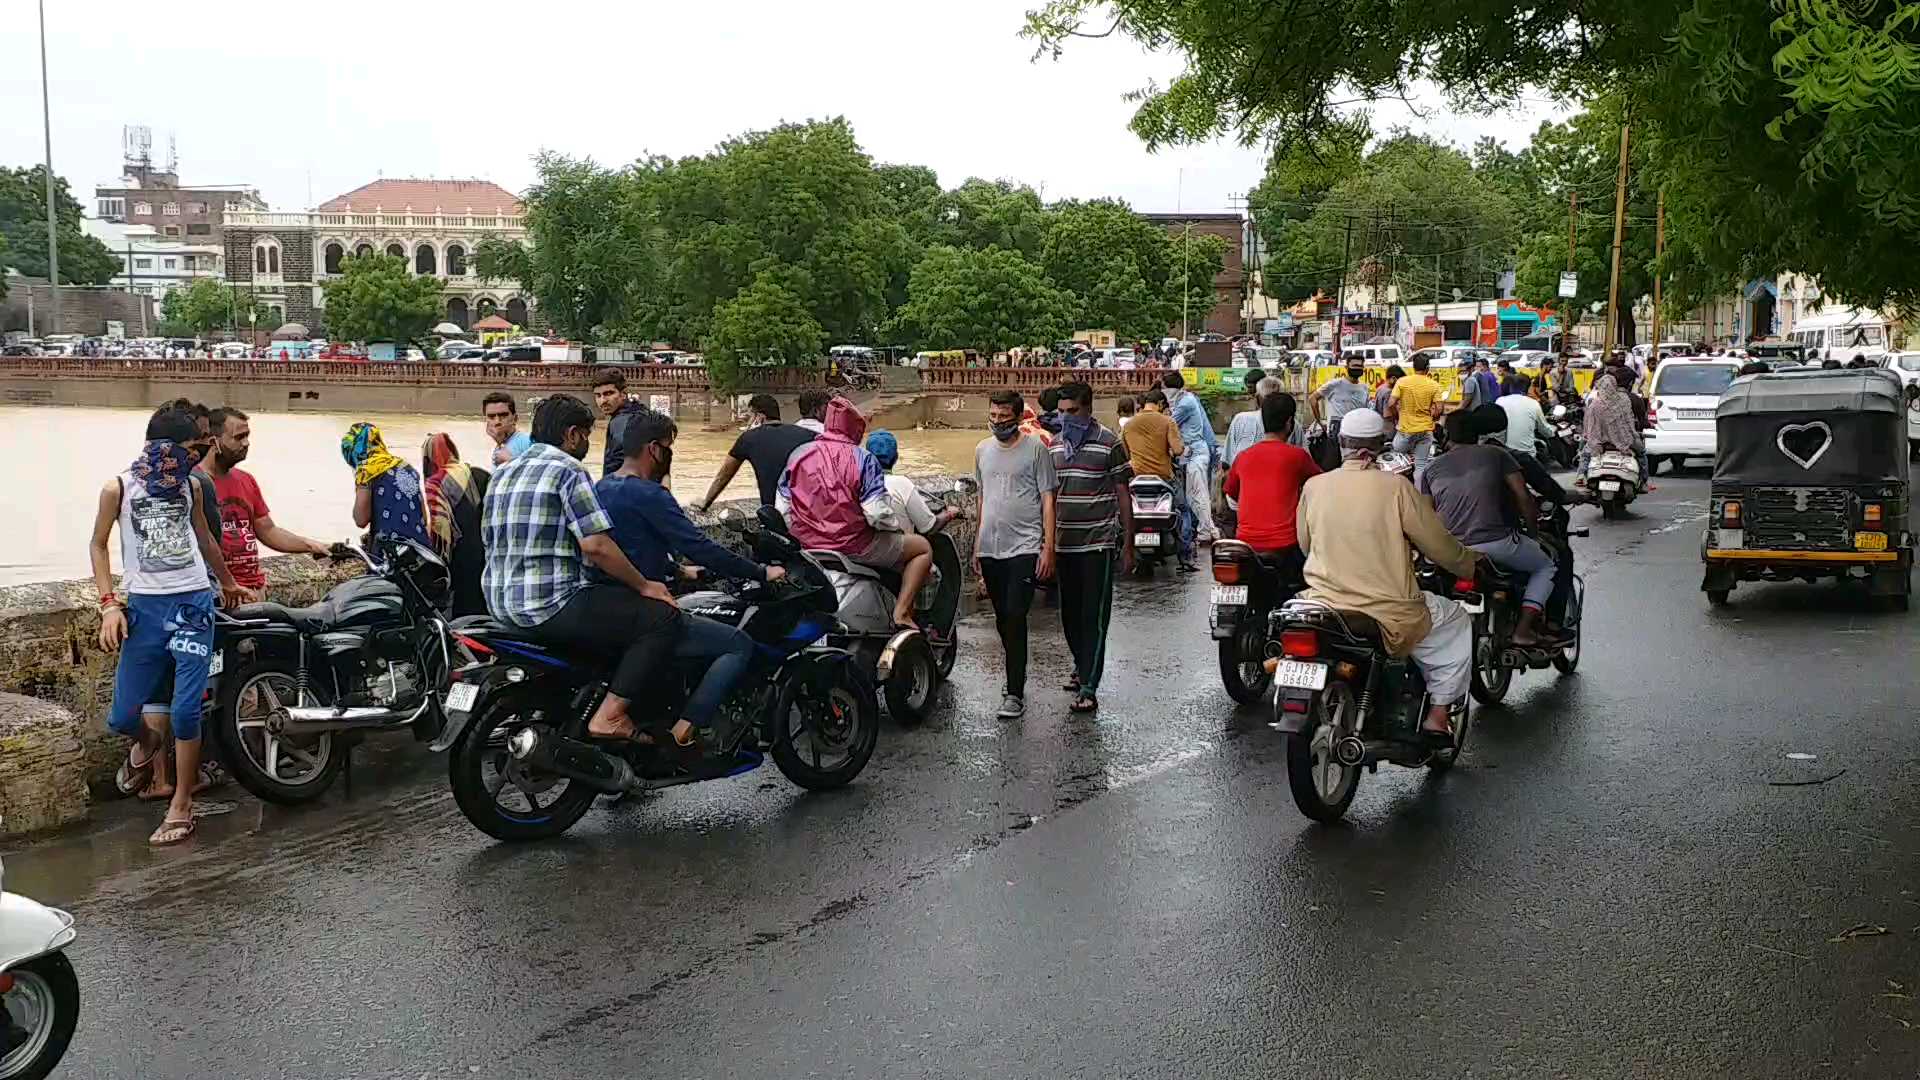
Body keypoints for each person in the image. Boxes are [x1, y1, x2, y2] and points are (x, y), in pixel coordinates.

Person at [482, 393, 681, 743]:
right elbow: (596, 545)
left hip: (500, 604)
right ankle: (611, 715)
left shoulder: (503, 472)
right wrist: (645, 586)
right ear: (572, 434)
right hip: (550, 605)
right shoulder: (569, 469)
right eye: (586, 436)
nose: (587, 444)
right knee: (661, 619)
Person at [93, 408, 245, 845]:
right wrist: (109, 605)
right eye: (193, 448)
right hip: (145, 609)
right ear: (167, 449)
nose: (199, 455)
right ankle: (148, 745)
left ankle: (181, 803)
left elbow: (204, 539)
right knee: (123, 716)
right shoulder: (117, 488)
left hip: (192, 603)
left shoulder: (192, 487)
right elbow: (98, 544)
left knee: (184, 710)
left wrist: (229, 583)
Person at [595, 410, 786, 747]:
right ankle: (684, 732)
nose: (671, 455)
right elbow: (699, 545)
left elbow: (629, 546)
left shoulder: (602, 487)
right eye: (669, 447)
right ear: (654, 449)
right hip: (643, 606)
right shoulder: (651, 494)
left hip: (608, 601)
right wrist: (761, 571)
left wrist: (678, 572)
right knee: (736, 645)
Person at [1296, 408, 1481, 742]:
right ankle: (1438, 715)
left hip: (1321, 602)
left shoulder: (1314, 486)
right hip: (1386, 608)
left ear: (1342, 443)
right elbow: (1436, 543)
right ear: (1377, 447)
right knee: (1455, 620)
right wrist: (1468, 563)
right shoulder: (1395, 487)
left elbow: (1305, 544)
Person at [778, 397, 931, 631]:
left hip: (807, 546)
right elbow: (877, 514)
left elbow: (783, 509)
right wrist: (895, 529)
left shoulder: (799, 455)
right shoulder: (862, 458)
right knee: (922, 548)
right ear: (855, 428)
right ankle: (901, 612)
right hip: (855, 546)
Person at [1420, 408, 1557, 645]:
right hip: (1497, 543)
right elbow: (1523, 497)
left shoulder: (1431, 468)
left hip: (1450, 549)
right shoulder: (1497, 455)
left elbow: (1424, 515)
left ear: (1447, 436)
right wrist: (1533, 535)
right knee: (1546, 565)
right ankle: (1523, 630)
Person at [1048, 382, 1134, 714]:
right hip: (1063, 544)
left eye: (1073, 411)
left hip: (1098, 543)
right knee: (1069, 615)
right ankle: (1080, 663)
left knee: (1094, 616)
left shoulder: (1109, 443)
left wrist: (1128, 543)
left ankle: (1089, 685)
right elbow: (1049, 499)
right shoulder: (1054, 447)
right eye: (1062, 412)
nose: (1067, 418)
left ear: (1088, 409)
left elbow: (1123, 495)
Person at [974, 390, 1059, 719]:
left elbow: (1048, 499)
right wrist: (977, 546)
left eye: (1004, 417)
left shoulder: (1036, 450)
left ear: (1018, 416)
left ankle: (1014, 691)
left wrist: (1047, 547)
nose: (997, 423)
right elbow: (983, 499)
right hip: (991, 547)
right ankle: (1015, 669)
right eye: (993, 416)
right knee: (1001, 618)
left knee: (1014, 614)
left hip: (1024, 546)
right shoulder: (982, 450)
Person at [201, 407, 332, 600]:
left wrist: (311, 545)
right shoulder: (195, 484)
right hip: (219, 591)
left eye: (247, 436)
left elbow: (267, 530)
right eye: (238, 437)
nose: (246, 443)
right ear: (214, 441)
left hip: (254, 588)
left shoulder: (246, 480)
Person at [1222, 392, 1319, 579]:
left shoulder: (1243, 457)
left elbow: (1231, 496)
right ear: (1289, 422)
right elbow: (1321, 486)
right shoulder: (1297, 456)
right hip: (1286, 546)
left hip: (1245, 543)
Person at [696, 393, 816, 510]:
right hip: (811, 510)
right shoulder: (807, 435)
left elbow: (723, 476)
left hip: (776, 515)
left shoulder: (749, 438)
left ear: (759, 417)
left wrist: (705, 503)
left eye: (749, 417)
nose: (747, 422)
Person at [420, 433, 491, 616]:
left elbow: (439, 531)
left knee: (463, 611)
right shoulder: (478, 473)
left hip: (461, 556)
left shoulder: (435, 483)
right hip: (487, 550)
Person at [342, 422, 432, 548]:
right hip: (423, 549)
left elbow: (360, 520)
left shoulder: (367, 471)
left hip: (392, 554)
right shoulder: (406, 466)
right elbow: (424, 518)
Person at [1493, 375, 1573, 504]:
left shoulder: (1499, 401)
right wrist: (1553, 430)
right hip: (1526, 458)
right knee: (1549, 490)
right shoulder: (1533, 403)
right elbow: (1545, 430)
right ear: (1528, 387)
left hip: (1502, 455)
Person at [865, 430, 961, 535]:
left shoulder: (856, 483)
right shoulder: (901, 484)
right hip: (900, 549)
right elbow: (929, 527)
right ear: (896, 457)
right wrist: (949, 514)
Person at [1161, 372, 1219, 544]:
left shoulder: (1185, 403)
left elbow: (1167, 424)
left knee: (1198, 495)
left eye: (1165, 388)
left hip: (1196, 454)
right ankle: (1210, 529)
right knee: (1193, 496)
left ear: (1171, 388)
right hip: (1192, 454)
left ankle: (1206, 531)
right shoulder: (1185, 399)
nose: (1164, 391)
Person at [591, 366, 658, 476]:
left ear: (623, 393)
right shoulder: (641, 412)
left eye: (609, 394)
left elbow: (617, 464)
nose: (603, 401)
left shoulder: (620, 422)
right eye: (598, 395)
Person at [1387, 353, 1444, 480]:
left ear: (1413, 366)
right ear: (1428, 368)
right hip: (1425, 432)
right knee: (1421, 467)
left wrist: (1397, 416)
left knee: (1396, 463)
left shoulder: (1402, 382)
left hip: (1404, 432)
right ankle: (1418, 495)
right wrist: (1433, 418)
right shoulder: (1433, 385)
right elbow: (1439, 408)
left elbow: (1391, 403)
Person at [1221, 369, 1271, 470]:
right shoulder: (1242, 419)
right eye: (1248, 387)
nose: (1248, 391)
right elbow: (1227, 457)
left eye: (1251, 388)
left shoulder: (1279, 416)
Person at [483, 391, 533, 465]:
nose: (497, 421)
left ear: (515, 419)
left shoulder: (526, 442)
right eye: (491, 417)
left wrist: (510, 460)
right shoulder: (500, 446)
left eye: (503, 415)